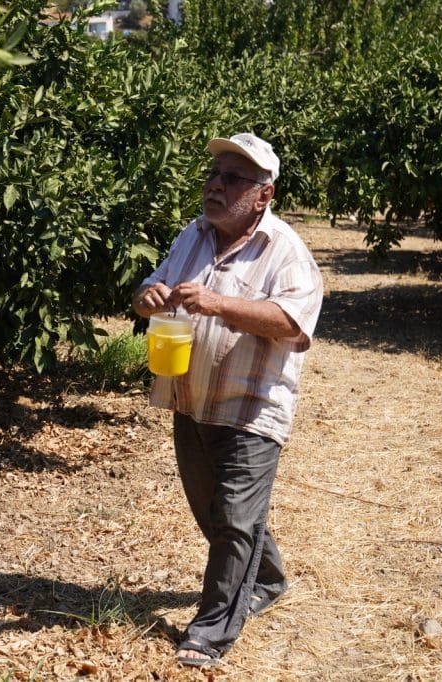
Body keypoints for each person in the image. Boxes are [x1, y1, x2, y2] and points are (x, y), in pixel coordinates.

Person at [132, 133, 323, 667]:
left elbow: (292, 322)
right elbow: (151, 287)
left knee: (235, 516)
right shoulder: (192, 236)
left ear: (263, 194)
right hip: (190, 397)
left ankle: (211, 630)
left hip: (252, 404)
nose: (216, 185)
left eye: (233, 178)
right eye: (214, 174)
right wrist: (147, 297)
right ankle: (269, 578)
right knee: (215, 509)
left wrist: (219, 303)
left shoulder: (285, 250)